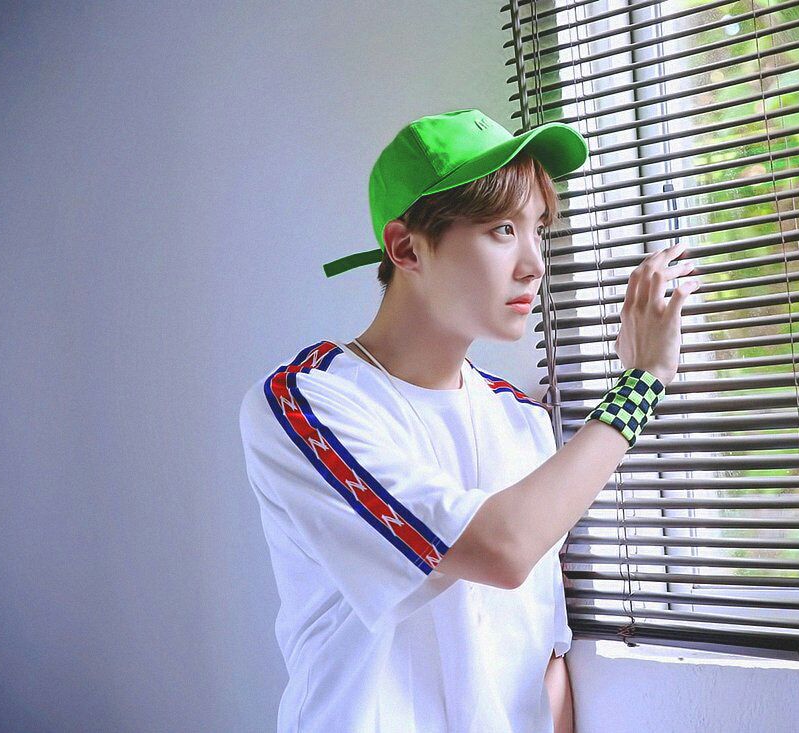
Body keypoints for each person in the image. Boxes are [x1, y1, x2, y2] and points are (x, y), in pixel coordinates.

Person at [238, 108, 700, 732]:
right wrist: (641, 384)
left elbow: (543, 656)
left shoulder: (522, 419)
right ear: (406, 248)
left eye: (539, 229)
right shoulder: (306, 405)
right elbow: (501, 550)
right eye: (502, 230)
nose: (534, 264)